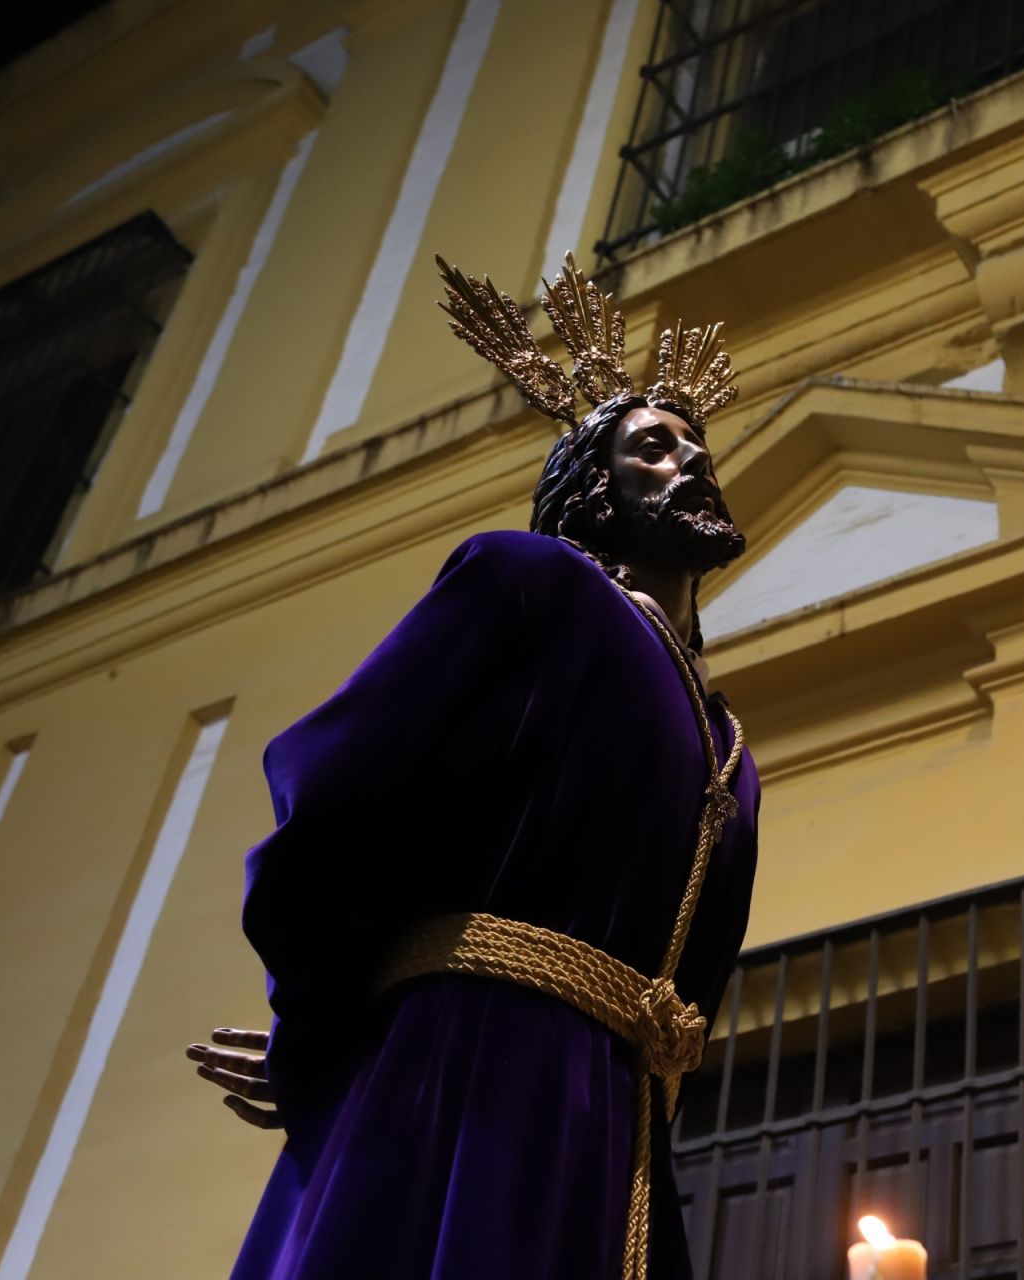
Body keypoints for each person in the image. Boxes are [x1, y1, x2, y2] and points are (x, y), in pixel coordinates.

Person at [184, 256, 761, 1280]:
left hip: (615, 1123)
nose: (690, 461)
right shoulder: (532, 583)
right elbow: (352, 794)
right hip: (477, 1073)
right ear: (592, 492)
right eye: (653, 448)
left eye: (697, 444)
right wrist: (322, 1023)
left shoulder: (729, 743)